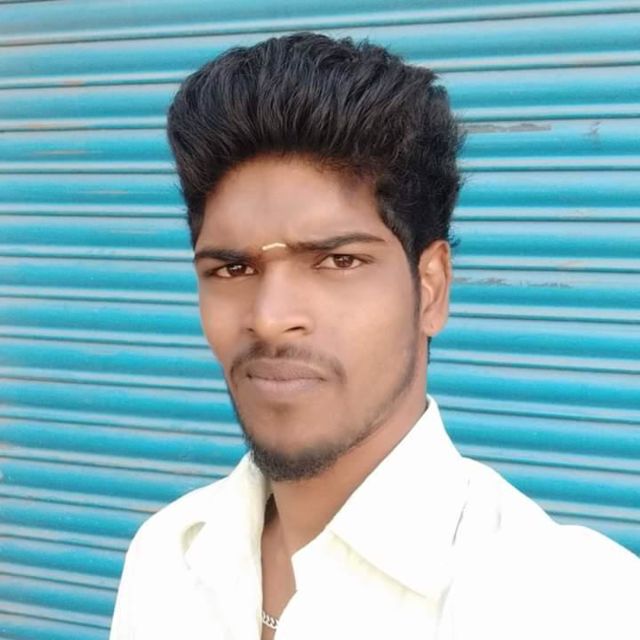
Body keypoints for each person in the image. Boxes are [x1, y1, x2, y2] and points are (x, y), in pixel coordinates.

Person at [109, 32, 639, 640]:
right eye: (232, 269)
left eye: (339, 261)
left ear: (430, 289)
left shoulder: (577, 607)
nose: (270, 317)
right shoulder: (166, 559)